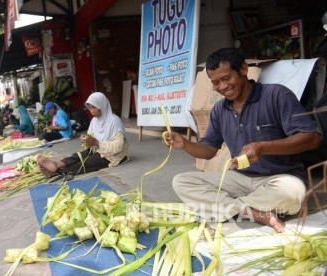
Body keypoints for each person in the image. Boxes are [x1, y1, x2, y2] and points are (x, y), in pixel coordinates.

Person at [164, 48, 320, 233]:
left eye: (226, 78)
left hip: (280, 178)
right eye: (215, 83)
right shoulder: (220, 110)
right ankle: (254, 211)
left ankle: (233, 208)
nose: (222, 87)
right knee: (181, 181)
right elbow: (208, 150)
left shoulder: (277, 95)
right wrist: (185, 144)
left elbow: (312, 139)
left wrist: (263, 148)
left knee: (292, 191)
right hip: (239, 178)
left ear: (244, 70)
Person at [38, 92, 129, 177]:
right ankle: (57, 164)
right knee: (77, 156)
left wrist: (97, 143)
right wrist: (86, 139)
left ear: (102, 105)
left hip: (112, 156)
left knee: (85, 163)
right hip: (97, 149)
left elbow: (118, 146)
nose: (91, 111)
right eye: (90, 108)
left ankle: (56, 172)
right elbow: (90, 136)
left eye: (94, 107)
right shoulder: (94, 121)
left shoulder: (114, 121)